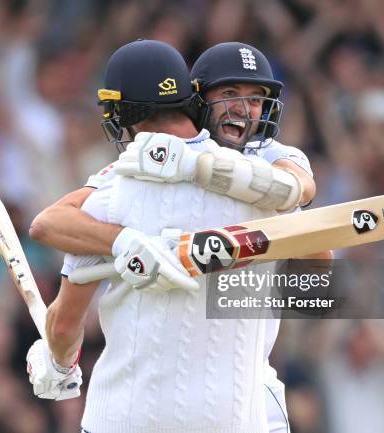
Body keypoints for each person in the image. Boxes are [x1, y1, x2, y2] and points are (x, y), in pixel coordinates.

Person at [29, 42, 330, 433]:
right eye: (229, 95)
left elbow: (65, 322)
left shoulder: (116, 195)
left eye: (255, 99)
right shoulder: (268, 195)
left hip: (124, 419)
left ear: (125, 112)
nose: (243, 109)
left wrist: (56, 360)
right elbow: (315, 287)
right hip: (240, 416)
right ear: (195, 99)